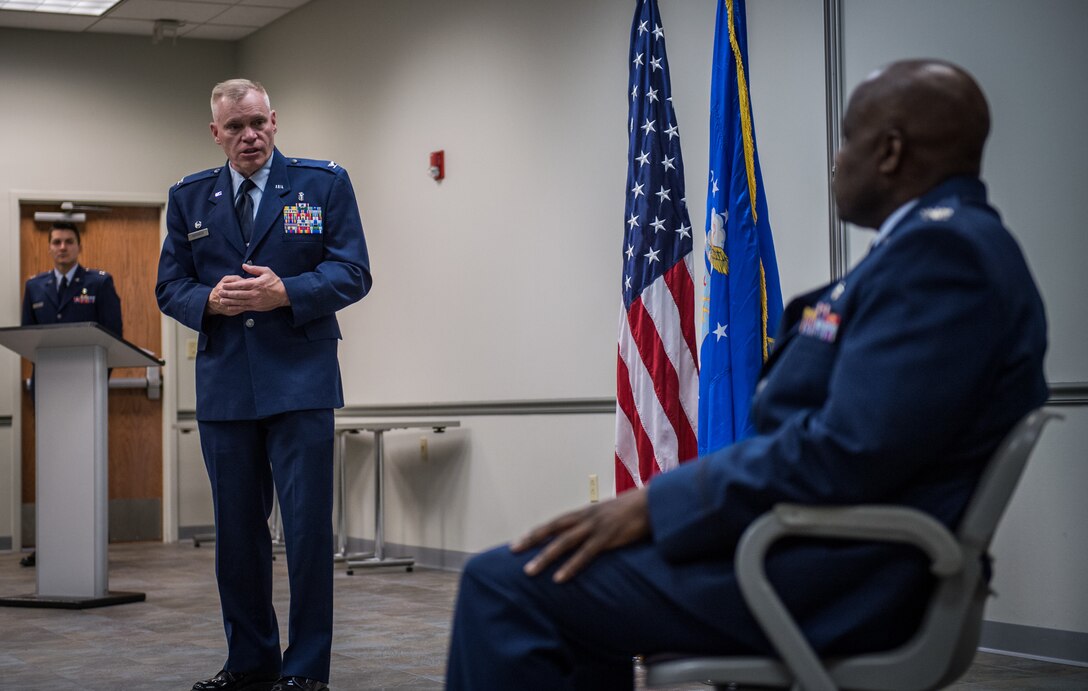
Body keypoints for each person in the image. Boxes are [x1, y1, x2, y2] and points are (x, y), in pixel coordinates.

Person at [444, 59, 1049, 690]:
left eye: (848, 138)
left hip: (835, 577)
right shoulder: (939, 249)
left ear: (891, 152)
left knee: (507, 585)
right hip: (816, 552)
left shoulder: (944, 258)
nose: (837, 160)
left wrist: (658, 503)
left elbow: (845, 451)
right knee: (567, 572)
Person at [157, 79, 371, 691]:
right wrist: (210, 302)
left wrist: (288, 291)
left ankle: (304, 671)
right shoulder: (189, 196)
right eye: (235, 128)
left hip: (300, 384)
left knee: (305, 535)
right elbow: (169, 286)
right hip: (226, 388)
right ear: (215, 132)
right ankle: (250, 662)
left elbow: (353, 271)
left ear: (274, 120)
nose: (248, 136)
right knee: (237, 537)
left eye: (257, 123)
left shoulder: (322, 183)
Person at [20, 221, 123, 568]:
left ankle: (87, 541)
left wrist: (97, 381)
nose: (62, 248)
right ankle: (50, 542)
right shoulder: (35, 287)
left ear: (78, 247)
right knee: (50, 469)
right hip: (48, 391)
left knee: (85, 468)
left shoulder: (99, 283)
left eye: (68, 242)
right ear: (49, 247)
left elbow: (113, 338)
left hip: (86, 394)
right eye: (56, 242)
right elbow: (28, 341)